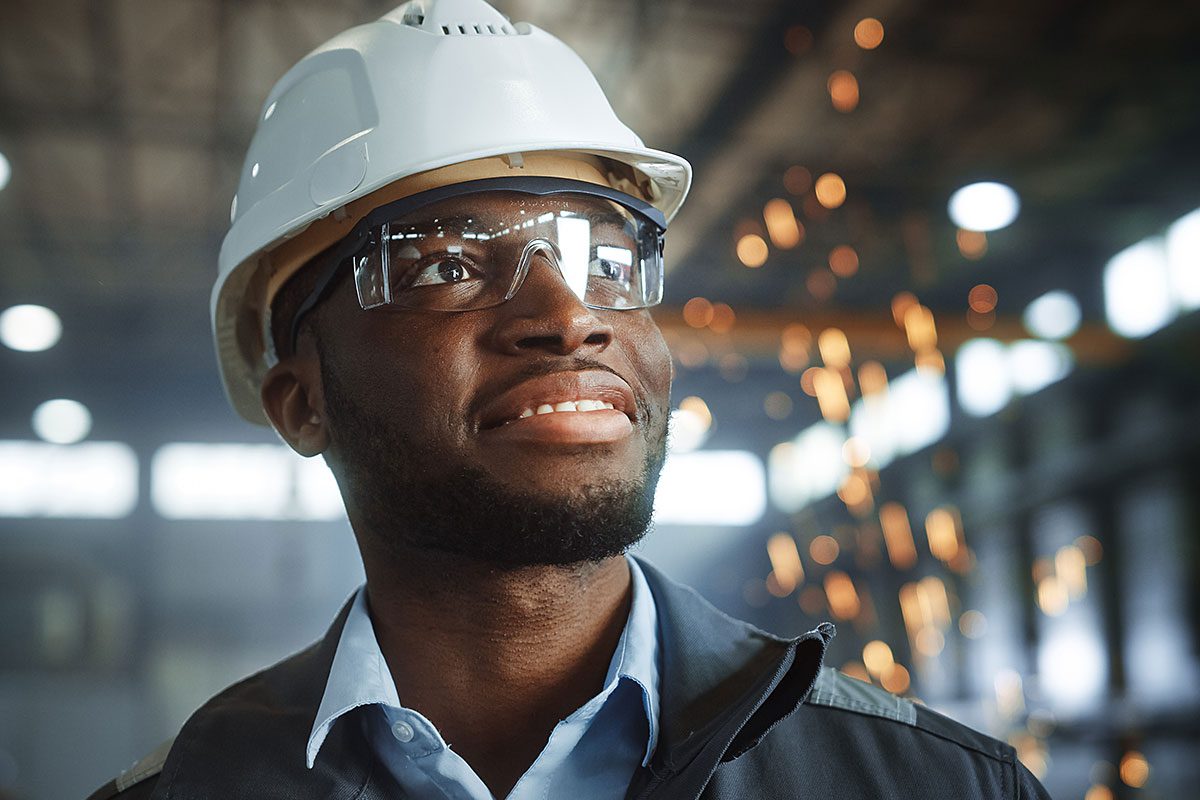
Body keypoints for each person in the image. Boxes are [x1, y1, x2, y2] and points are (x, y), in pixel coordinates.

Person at [89, 1, 1052, 797]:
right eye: (445, 264)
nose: (567, 315)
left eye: (609, 261)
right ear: (303, 403)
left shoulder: (935, 782)